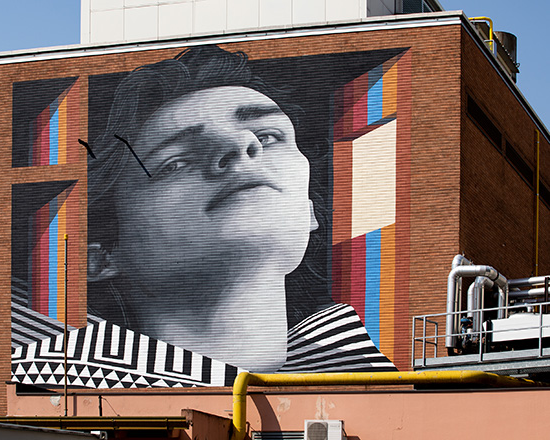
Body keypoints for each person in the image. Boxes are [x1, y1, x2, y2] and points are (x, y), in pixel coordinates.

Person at [86, 45, 392, 374]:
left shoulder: (379, 382)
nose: (241, 144)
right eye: (175, 162)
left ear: (309, 211)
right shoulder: (57, 380)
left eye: (269, 135)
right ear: (101, 256)